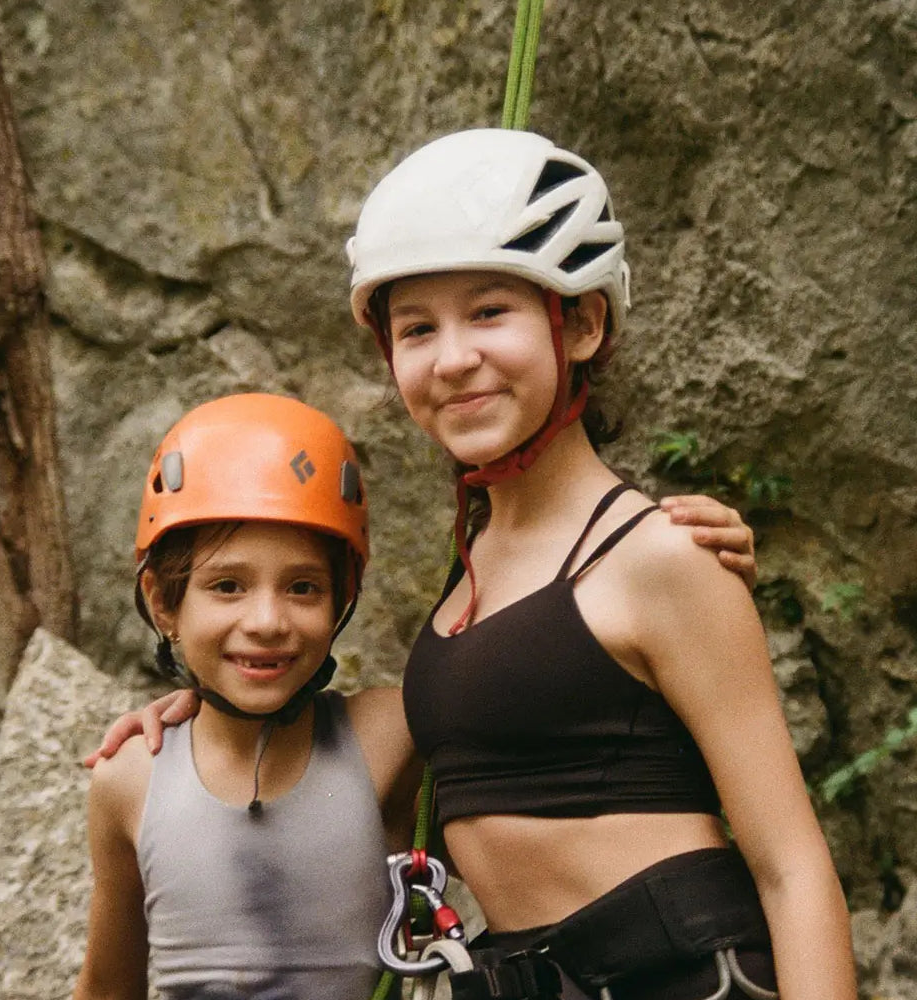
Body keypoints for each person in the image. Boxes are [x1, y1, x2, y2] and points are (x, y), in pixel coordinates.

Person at [84, 128, 819, 998]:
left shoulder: (657, 555)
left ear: (580, 321)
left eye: (491, 312)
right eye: (418, 329)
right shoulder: (468, 585)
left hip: (681, 972)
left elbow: (791, 867)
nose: (455, 355)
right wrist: (204, 702)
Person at [72, 393, 418, 1000]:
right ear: (162, 602)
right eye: (227, 585)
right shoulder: (130, 780)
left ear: (343, 598)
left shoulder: (389, 736)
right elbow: (107, 987)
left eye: (303, 587)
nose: (266, 621)